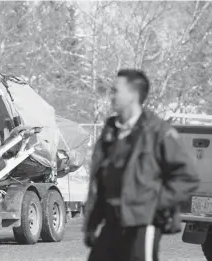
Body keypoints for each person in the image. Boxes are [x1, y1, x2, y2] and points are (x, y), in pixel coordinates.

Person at [83, 69, 200, 261]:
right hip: (111, 222)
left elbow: (188, 177)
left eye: (115, 91)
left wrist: (154, 204)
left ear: (133, 95)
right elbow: (99, 183)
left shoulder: (158, 132)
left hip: (142, 224)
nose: (111, 96)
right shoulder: (110, 132)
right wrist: (92, 222)